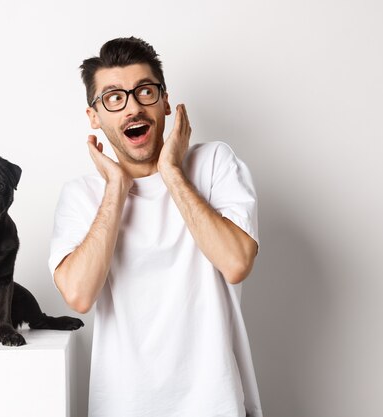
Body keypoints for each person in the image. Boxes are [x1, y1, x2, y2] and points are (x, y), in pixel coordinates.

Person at [48, 37, 263, 417]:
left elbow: (236, 263)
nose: (133, 107)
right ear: (94, 117)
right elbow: (79, 296)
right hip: (123, 407)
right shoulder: (82, 195)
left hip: (218, 405)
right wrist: (116, 187)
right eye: (114, 98)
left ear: (165, 101)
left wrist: (171, 173)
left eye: (144, 91)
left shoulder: (214, 163)